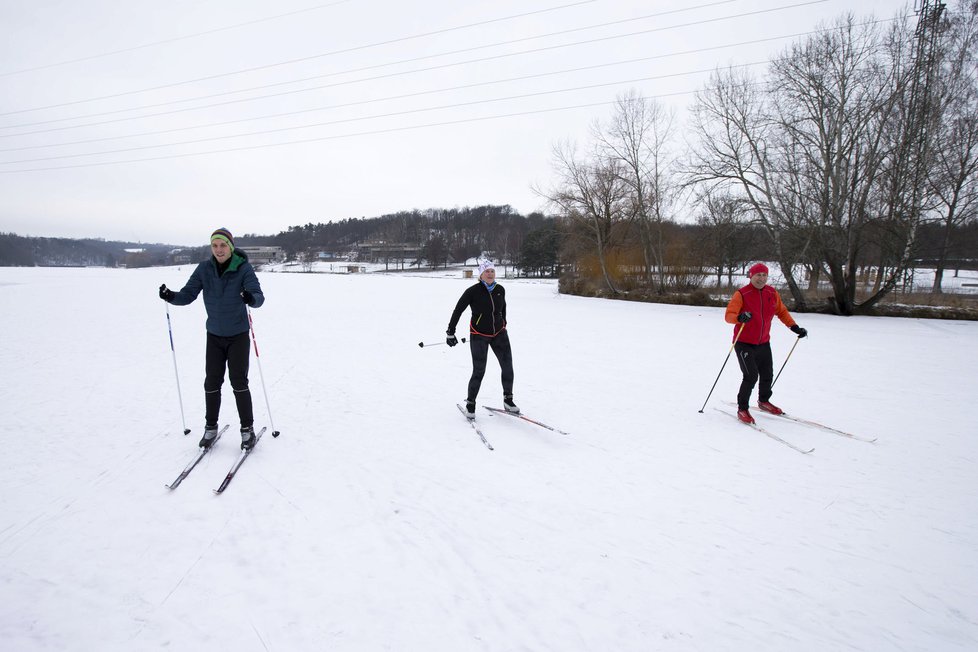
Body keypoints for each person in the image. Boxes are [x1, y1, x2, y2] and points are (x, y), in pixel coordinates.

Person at [159, 228, 265, 449]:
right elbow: (188, 294)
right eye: (215, 245)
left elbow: (258, 297)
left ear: (231, 247)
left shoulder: (243, 269)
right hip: (214, 335)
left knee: (238, 381)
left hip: (237, 335)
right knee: (211, 382)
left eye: (223, 245)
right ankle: (210, 428)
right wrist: (171, 296)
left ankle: (247, 429)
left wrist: (250, 298)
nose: (218, 250)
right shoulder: (204, 269)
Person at [724, 263, 807, 425]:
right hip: (744, 343)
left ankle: (763, 401)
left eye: (764, 275)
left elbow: (781, 312)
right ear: (751, 276)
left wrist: (794, 327)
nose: (761, 278)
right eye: (758, 275)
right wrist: (740, 317)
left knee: (767, 374)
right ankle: (742, 408)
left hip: (763, 342)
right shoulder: (742, 294)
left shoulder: (771, 293)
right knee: (751, 376)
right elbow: (729, 315)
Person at [446, 260, 518, 419]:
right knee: (479, 370)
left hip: (499, 333)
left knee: (507, 367)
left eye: (492, 271)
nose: (490, 274)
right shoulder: (472, 291)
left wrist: (504, 322)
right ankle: (470, 404)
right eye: (487, 272)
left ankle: (508, 400)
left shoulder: (500, 289)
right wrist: (451, 331)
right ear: (481, 274)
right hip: (479, 335)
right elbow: (458, 310)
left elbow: (503, 308)